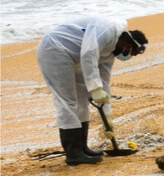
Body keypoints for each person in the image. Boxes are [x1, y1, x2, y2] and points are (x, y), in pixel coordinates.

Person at [37, 18, 147, 166]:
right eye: (132, 53)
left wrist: (107, 118)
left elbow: (104, 83)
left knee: (82, 99)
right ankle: (73, 153)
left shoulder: (110, 52)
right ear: (127, 45)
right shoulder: (108, 29)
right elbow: (88, 53)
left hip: (75, 57)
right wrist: (95, 89)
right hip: (55, 49)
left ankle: (82, 148)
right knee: (67, 101)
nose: (130, 57)